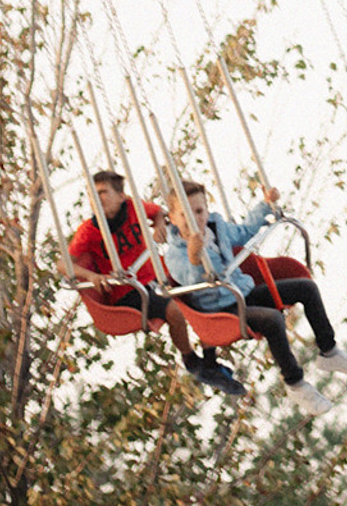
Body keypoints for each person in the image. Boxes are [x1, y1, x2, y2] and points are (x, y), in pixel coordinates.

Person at [173, 180, 347, 412]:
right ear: (174, 218)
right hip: (221, 310)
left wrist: (265, 205)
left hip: (244, 292)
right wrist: (195, 258)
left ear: (206, 210)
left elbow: (245, 231)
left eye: (199, 211)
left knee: (306, 288)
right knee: (272, 319)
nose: (195, 219)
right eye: (185, 214)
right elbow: (191, 279)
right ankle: (295, 383)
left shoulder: (217, 228)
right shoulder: (174, 254)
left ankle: (329, 350)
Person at [67, 169, 241, 397]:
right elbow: (64, 264)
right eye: (93, 195)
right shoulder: (89, 231)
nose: (97, 199)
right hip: (128, 291)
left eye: (103, 193)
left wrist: (159, 224)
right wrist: (92, 277)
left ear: (121, 196)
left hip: (153, 279)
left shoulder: (132, 208)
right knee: (175, 311)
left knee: (201, 291)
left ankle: (210, 362)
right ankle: (190, 359)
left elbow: (158, 212)